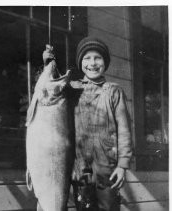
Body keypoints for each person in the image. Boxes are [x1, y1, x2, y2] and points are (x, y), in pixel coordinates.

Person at [43, 36, 132, 211]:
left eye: (97, 58)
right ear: (80, 62)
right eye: (87, 58)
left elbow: (124, 131)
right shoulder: (72, 89)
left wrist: (122, 165)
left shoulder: (114, 91)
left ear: (105, 62)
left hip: (108, 170)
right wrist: (48, 65)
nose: (92, 63)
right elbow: (51, 88)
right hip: (79, 170)